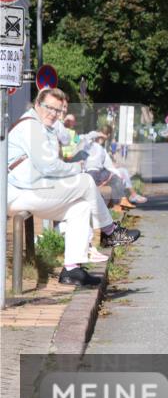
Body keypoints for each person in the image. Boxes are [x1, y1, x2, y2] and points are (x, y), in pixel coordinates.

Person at [7, 89, 141, 287]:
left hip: (29, 189)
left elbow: (58, 150)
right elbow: (49, 165)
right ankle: (110, 232)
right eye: (49, 108)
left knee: (80, 208)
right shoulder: (31, 127)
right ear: (37, 104)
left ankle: (72, 269)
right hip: (19, 193)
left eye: (57, 110)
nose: (53, 113)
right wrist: (76, 168)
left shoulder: (40, 125)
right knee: (86, 181)